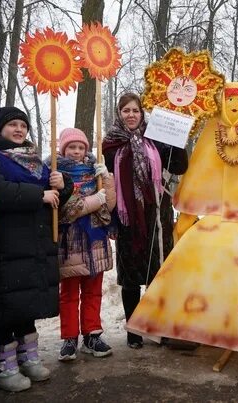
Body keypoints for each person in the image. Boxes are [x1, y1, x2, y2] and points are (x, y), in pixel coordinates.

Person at [125, 82, 238, 358]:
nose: (233, 105)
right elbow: (197, 178)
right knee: (192, 259)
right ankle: (189, 328)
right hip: (211, 224)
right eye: (229, 99)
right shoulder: (211, 138)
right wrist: (186, 220)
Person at [0, 106, 73, 392]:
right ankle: (3, 367)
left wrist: (63, 184)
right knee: (6, 307)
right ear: (0, 129)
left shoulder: (33, 161)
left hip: (35, 244)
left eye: (23, 125)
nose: (19, 130)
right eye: (12, 125)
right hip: (6, 245)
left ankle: (27, 357)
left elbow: (55, 197)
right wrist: (39, 194)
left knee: (26, 305)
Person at [102, 93, 188, 349]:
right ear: (119, 113)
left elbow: (179, 167)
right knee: (130, 277)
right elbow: (108, 183)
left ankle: (156, 325)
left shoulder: (157, 138)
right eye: (126, 110)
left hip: (156, 215)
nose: (131, 115)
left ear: (142, 113)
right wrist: (112, 220)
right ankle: (133, 329)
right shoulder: (110, 144)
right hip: (127, 215)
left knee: (156, 273)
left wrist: (177, 141)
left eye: (135, 110)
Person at [54, 128, 116, 361]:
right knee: (69, 293)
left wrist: (107, 179)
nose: (77, 152)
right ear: (63, 149)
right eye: (72, 147)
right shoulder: (56, 174)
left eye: (81, 147)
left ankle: (92, 334)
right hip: (70, 241)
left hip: (95, 241)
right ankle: (69, 338)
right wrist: (94, 200)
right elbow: (68, 210)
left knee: (93, 291)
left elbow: (108, 205)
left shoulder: (95, 172)